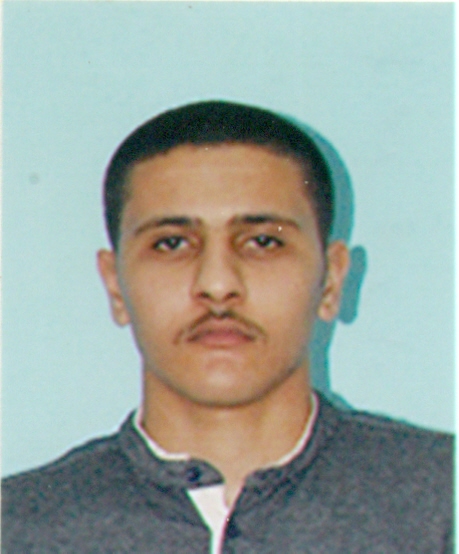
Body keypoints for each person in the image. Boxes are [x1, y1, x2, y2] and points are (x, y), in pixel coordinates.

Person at [2, 101, 453, 553]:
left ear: (331, 280)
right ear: (115, 285)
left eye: (263, 242)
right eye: (172, 244)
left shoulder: (439, 502)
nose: (217, 285)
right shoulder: (18, 528)